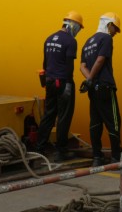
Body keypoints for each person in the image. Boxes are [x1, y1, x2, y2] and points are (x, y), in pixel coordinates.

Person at [36, 11, 83, 159]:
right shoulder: (70, 41)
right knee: (64, 116)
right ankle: (61, 151)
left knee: (49, 114)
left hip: (50, 81)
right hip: (63, 82)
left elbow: (45, 63)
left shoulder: (49, 39)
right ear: (73, 25)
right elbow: (69, 66)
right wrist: (68, 84)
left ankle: (39, 148)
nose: (78, 31)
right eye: (78, 28)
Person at [80, 12, 122, 167]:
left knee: (95, 122)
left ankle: (97, 157)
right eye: (115, 29)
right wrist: (91, 79)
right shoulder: (106, 38)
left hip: (93, 89)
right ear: (109, 25)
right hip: (105, 86)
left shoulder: (88, 42)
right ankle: (116, 157)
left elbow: (82, 66)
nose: (115, 33)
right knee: (114, 122)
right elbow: (100, 59)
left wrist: (89, 81)